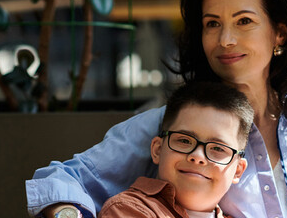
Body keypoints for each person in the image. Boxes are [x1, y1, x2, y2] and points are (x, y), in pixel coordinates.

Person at [26, 0, 287, 217]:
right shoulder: (171, 127)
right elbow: (63, 179)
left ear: (279, 33)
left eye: (244, 21)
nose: (226, 40)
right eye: (212, 24)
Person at [99, 82, 253, 218]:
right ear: (157, 150)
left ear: (238, 170)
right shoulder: (128, 210)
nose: (198, 156)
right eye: (184, 140)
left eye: (218, 148)